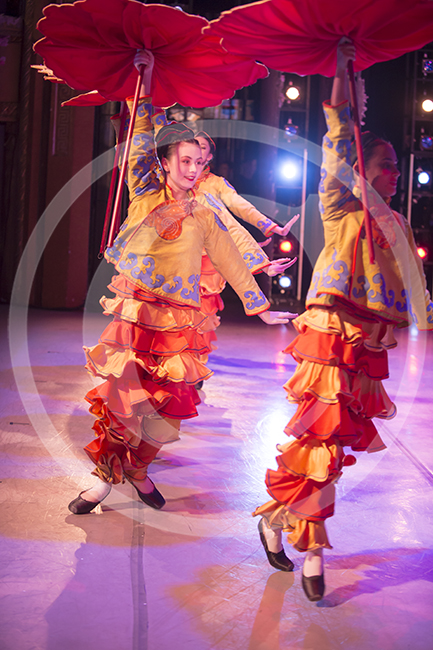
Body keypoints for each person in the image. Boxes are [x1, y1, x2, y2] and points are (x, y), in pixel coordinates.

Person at [68, 50, 295, 516]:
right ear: (167, 162)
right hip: (136, 315)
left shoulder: (206, 211)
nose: (193, 169)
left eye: (200, 161)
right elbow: (140, 136)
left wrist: (260, 306)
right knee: (123, 402)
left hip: (180, 324)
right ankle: (105, 480)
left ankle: (139, 470)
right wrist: (146, 78)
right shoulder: (144, 191)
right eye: (186, 160)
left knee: (169, 405)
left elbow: (229, 257)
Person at [252, 41, 433, 602]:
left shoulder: (397, 223)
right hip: (329, 334)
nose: (395, 174)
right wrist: (342, 74)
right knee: (324, 443)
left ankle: (276, 516)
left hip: (367, 345)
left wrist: (424, 319)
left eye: (398, 166)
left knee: (332, 450)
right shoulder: (340, 206)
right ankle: (312, 551)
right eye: (385, 166)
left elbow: (416, 286)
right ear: (361, 170)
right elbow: (336, 141)